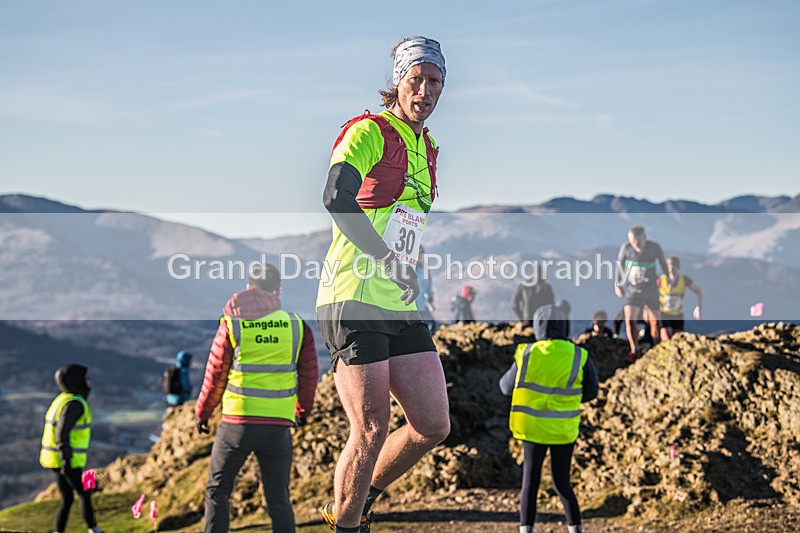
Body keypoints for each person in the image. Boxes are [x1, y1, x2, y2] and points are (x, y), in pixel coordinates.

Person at [316, 36, 450, 533]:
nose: (425, 89)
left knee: (433, 424)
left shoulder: (429, 147)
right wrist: (386, 257)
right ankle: (346, 526)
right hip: (350, 294)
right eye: (416, 78)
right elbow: (335, 196)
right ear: (398, 81)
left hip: (397, 300)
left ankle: (355, 498)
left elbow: (402, 223)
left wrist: (406, 266)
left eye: (434, 80)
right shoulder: (370, 130)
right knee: (371, 428)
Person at [195, 263, 318, 533]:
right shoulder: (297, 326)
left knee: (218, 490)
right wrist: (302, 411)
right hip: (278, 426)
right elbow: (309, 376)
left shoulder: (232, 323)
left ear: (249, 287)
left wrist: (203, 413)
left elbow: (215, 373)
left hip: (236, 423)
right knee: (279, 500)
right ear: (278, 290)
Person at [499, 305, 598, 533]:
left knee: (530, 483)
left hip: (532, 429)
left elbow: (505, 387)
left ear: (538, 326)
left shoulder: (527, 353)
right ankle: (575, 529)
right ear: (564, 325)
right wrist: (566, 399)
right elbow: (592, 391)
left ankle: (526, 530)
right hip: (564, 428)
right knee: (562, 482)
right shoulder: (578, 354)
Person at [39, 364, 103, 533]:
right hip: (67, 460)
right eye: (85, 379)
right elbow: (62, 432)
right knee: (84, 493)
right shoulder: (75, 403)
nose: (89, 382)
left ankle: (59, 531)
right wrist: (66, 458)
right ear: (77, 382)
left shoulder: (62, 399)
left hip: (55, 459)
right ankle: (94, 530)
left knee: (67, 498)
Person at [614, 225, 667, 363]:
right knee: (629, 319)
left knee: (655, 322)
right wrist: (617, 284)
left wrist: (668, 280)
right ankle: (634, 350)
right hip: (633, 291)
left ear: (644, 238)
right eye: (632, 242)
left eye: (638, 242)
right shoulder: (626, 249)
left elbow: (663, 264)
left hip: (651, 291)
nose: (635, 245)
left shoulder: (654, 247)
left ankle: (657, 347)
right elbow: (620, 266)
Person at [657, 256, 703, 341]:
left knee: (677, 339)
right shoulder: (660, 280)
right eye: (668, 265)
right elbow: (650, 294)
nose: (671, 267)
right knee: (666, 339)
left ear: (678, 267)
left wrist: (698, 307)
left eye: (673, 265)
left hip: (678, 315)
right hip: (664, 314)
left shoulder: (684, 279)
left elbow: (699, 292)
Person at [511, 263, 554, 328]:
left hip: (527, 319)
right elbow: (550, 306)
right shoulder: (546, 288)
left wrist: (520, 317)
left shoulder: (524, 285)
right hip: (540, 321)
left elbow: (514, 304)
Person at [415, 246, 436, 334]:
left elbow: (428, 287)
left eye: (422, 255)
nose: (420, 257)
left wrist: (430, 300)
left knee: (432, 325)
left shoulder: (425, 270)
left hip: (422, 305)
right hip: (412, 307)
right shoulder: (408, 269)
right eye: (418, 255)